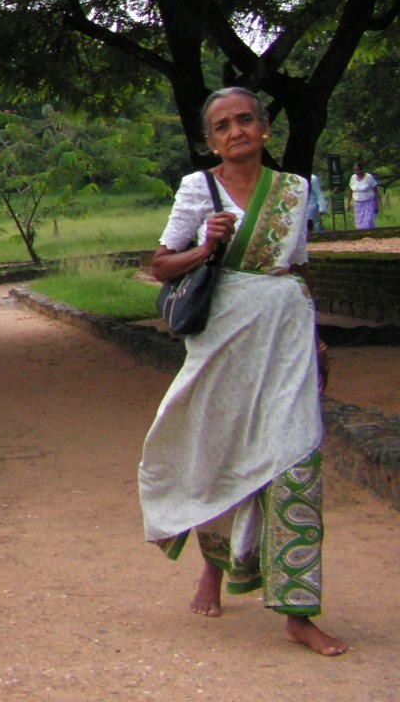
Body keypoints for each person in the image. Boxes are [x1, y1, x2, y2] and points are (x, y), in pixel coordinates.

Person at [139, 86, 347, 656]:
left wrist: (318, 336)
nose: (236, 131)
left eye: (245, 120)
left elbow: (297, 267)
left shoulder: (295, 190)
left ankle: (299, 611)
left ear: (264, 128)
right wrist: (206, 246)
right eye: (224, 125)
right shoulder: (197, 188)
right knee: (222, 453)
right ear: (212, 139)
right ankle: (214, 566)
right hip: (224, 343)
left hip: (286, 340)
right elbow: (160, 266)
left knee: (296, 459)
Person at [348, 164, 382, 230]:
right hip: (358, 203)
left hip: (368, 201)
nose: (356, 172)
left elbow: (375, 189)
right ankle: (362, 234)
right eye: (355, 170)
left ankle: (368, 233)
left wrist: (377, 202)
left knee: (368, 220)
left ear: (361, 170)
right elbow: (351, 190)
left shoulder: (369, 177)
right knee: (359, 221)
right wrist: (349, 202)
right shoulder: (353, 177)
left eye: (358, 170)